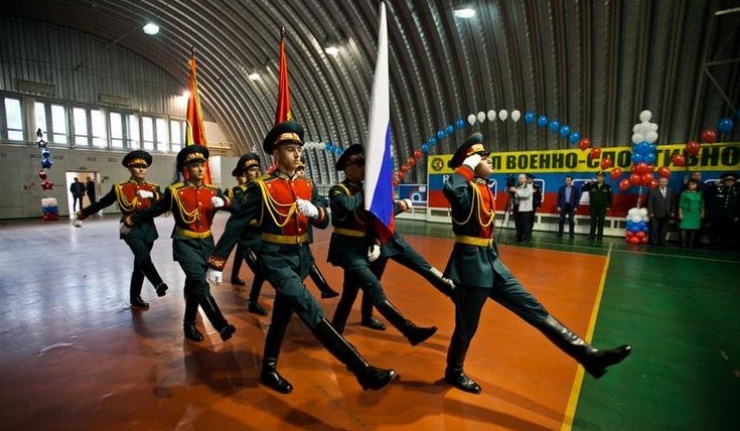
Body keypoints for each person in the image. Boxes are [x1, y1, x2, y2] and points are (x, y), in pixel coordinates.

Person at [206, 121, 396, 394]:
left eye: (299, 148)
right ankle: (362, 369)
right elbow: (237, 223)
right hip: (275, 259)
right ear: (276, 153)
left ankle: (268, 369)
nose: (297, 153)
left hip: (301, 258)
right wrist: (217, 262)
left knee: (282, 315)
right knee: (310, 308)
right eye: (290, 148)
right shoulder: (262, 187)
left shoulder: (307, 184)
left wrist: (316, 212)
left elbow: (324, 220)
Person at [441, 133, 631, 394]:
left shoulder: (482, 186)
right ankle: (454, 371)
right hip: (471, 268)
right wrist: (467, 165)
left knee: (535, 309)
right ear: (471, 162)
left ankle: (588, 355)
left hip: (491, 263)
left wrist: (472, 167)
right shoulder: (464, 189)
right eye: (483, 158)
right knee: (466, 328)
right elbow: (452, 189)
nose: (490, 160)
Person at [327, 144, 437, 345]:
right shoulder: (338, 190)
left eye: (364, 165)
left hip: (364, 247)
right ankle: (409, 330)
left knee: (350, 291)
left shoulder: (365, 191)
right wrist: (367, 191)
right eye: (359, 165)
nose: (364, 169)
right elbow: (347, 206)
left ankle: (336, 329)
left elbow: (379, 216)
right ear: (348, 168)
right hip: (347, 250)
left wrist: (377, 240)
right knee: (374, 287)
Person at [127, 145, 235, 343]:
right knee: (199, 283)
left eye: (202, 164)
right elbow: (156, 209)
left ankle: (188, 324)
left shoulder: (213, 191)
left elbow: (236, 209)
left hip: (207, 243)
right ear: (186, 168)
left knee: (194, 285)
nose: (200, 168)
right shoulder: (175, 191)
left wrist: (226, 203)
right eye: (195, 165)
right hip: (185, 243)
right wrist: (134, 218)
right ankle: (221, 325)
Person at [74, 150, 168, 309]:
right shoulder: (120, 188)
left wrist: (152, 195)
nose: (141, 169)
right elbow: (102, 203)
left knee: (139, 265)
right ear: (129, 168)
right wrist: (82, 214)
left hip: (148, 228)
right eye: (137, 166)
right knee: (143, 256)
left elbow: (165, 203)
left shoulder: (153, 188)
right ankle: (158, 283)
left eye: (144, 166)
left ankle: (135, 297)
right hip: (129, 228)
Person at [223, 153, 270, 315]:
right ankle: (252, 301)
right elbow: (238, 212)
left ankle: (235, 278)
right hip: (244, 236)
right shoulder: (237, 191)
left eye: (258, 169)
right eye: (251, 170)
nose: (257, 172)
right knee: (259, 269)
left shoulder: (261, 189)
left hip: (259, 235)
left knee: (253, 261)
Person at [295, 160, 340, 300]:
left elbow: (318, 200)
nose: (301, 172)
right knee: (304, 262)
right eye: (298, 169)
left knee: (306, 261)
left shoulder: (309, 185)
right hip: (284, 238)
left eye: (302, 168)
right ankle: (322, 288)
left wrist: (317, 209)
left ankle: (323, 289)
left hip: (303, 234)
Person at [706, 172, 739, 250]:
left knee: (727, 231)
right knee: (715, 230)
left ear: (734, 181)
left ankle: (724, 245)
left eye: (731, 180)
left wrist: (737, 215)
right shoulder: (718, 188)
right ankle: (713, 244)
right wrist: (715, 184)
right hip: (717, 214)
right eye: (727, 180)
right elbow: (707, 192)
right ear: (724, 181)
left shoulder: (737, 190)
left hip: (730, 215)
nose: (729, 182)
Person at [583, 172, 613, 241]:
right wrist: (589, 183)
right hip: (593, 207)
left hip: (602, 207)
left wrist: (609, 206)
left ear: (603, 178)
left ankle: (600, 237)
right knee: (593, 221)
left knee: (601, 222)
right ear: (596, 177)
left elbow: (610, 198)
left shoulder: (607, 187)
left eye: (601, 176)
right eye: (598, 176)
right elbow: (583, 189)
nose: (599, 178)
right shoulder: (592, 185)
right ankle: (592, 236)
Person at [647, 177, 676, 245]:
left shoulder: (670, 191)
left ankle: (662, 241)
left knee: (664, 229)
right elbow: (650, 202)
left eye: (664, 181)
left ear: (667, 182)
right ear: (658, 182)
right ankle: (654, 241)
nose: (662, 183)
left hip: (667, 213)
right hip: (655, 213)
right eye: (661, 181)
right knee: (654, 228)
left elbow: (673, 202)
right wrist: (651, 212)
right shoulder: (653, 191)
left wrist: (673, 211)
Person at [678, 178, 704, 248]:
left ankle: (690, 243)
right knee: (683, 227)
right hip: (686, 212)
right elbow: (680, 204)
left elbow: (702, 204)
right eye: (689, 184)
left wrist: (702, 213)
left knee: (694, 228)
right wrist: (680, 213)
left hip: (696, 212)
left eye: (693, 184)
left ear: (697, 185)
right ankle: (683, 243)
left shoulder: (700, 194)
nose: (691, 185)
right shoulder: (684, 193)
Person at [510, 174, 534, 242]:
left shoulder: (529, 187)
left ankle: (526, 238)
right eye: (519, 178)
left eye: (521, 178)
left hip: (525, 209)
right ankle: (518, 237)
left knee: (525, 224)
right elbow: (515, 196)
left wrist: (516, 191)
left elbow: (524, 195)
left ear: (525, 179)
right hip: (517, 207)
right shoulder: (518, 186)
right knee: (518, 223)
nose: (519, 179)